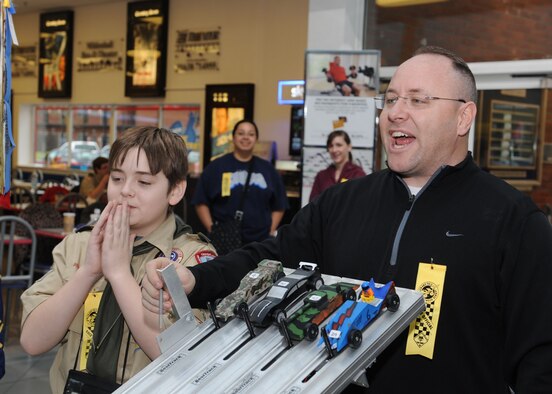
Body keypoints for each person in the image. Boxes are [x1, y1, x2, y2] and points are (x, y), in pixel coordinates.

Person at [142, 46, 552, 392]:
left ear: (464, 117)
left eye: (418, 100)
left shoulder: (513, 223)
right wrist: (198, 280)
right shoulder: (342, 203)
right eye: (390, 100)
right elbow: (269, 259)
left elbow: (540, 357)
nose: (396, 113)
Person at [20, 126, 217, 393]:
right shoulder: (80, 245)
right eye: (116, 178)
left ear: (175, 190)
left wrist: (119, 274)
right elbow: (32, 342)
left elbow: (181, 356)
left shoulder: (191, 259)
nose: (126, 190)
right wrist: (88, 272)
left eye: (144, 182)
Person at [192, 119, 288, 254]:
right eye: (241, 133)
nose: (246, 138)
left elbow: (279, 204)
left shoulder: (268, 169)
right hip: (224, 238)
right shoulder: (216, 166)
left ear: (256, 139)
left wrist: (270, 230)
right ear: (233, 137)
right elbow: (200, 201)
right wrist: (212, 229)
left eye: (251, 134)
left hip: (260, 240)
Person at [309, 130, 366, 202]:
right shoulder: (321, 176)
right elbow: (312, 205)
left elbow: (362, 204)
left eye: (339, 145)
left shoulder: (358, 174)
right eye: (330, 146)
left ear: (349, 147)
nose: (334, 150)